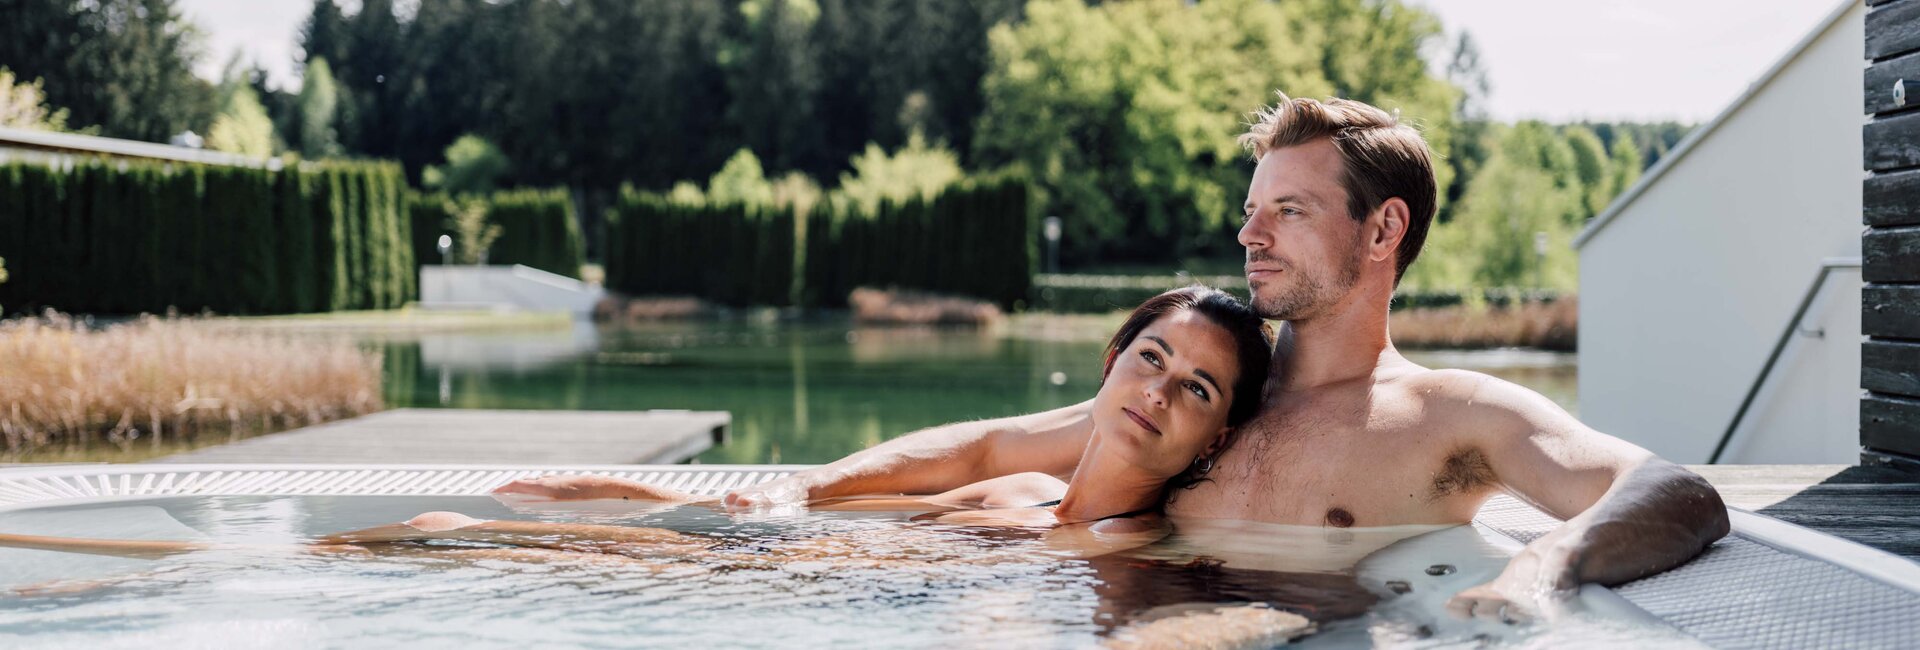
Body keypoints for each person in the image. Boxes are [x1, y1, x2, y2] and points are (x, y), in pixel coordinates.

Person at [717, 92, 1732, 622]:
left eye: (1287, 212)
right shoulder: (1212, 393)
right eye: (1252, 212)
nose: (1253, 235)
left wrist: (1543, 567)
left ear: (1383, 230)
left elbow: (1675, 488)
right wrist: (804, 495)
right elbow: (986, 446)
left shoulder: (1450, 415)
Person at [0, 286, 1277, 565]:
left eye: (1198, 388)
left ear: (1215, 436)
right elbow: (973, 457)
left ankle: (235, 566)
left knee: (457, 531)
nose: (1159, 388)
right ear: (1111, 361)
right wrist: (718, 500)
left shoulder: (1128, 541)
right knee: (532, 503)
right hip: (774, 559)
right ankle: (230, 560)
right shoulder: (1034, 475)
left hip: (799, 600)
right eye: (1153, 355)